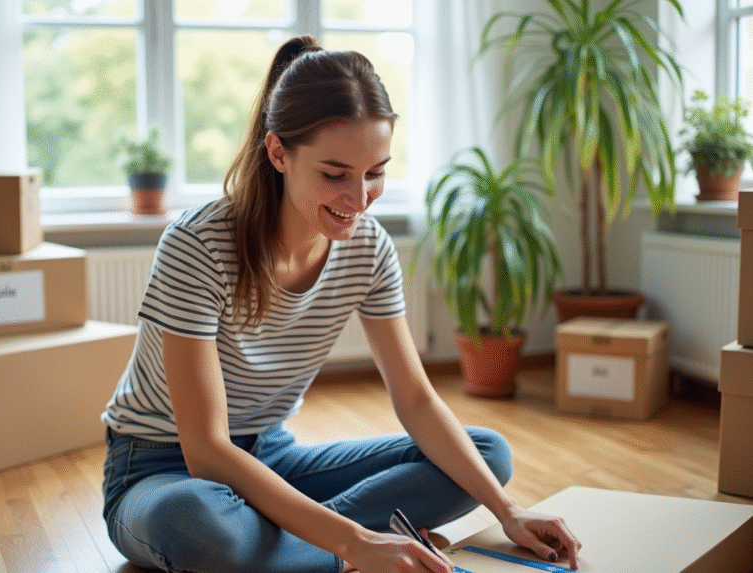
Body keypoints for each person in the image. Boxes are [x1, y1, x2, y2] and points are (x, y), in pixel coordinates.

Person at [101, 35, 581, 573]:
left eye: (375, 172)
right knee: (197, 525)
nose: (358, 200)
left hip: (274, 457)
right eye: (335, 175)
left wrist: (510, 511)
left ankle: (293, 548)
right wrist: (353, 540)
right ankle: (340, 547)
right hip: (160, 469)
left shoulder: (369, 249)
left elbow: (417, 401)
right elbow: (207, 451)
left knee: (488, 455)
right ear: (278, 152)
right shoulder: (197, 244)